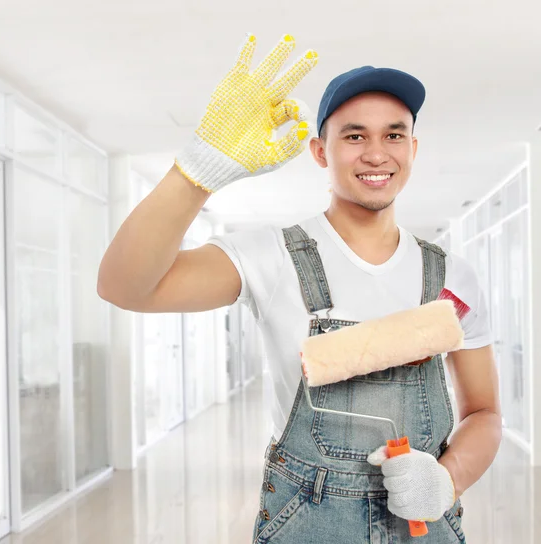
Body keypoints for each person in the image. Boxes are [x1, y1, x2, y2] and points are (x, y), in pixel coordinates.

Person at [98, 33, 501, 543]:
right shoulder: (272, 257)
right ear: (319, 151)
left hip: (424, 525)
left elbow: (484, 413)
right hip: (308, 522)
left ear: (413, 148)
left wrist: (447, 478)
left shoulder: (452, 277)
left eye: (394, 135)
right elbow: (124, 286)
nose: (377, 153)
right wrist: (197, 173)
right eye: (354, 136)